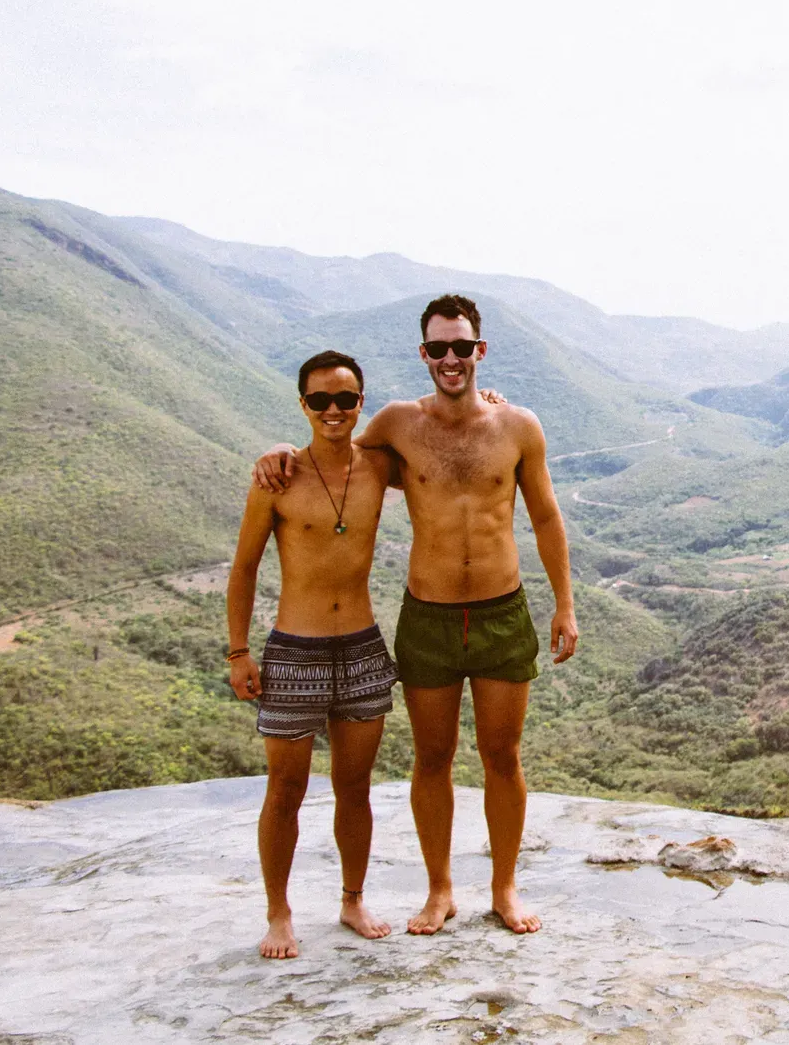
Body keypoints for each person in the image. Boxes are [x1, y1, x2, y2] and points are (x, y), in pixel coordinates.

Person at [253, 294, 578, 936]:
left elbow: (544, 515)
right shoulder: (399, 424)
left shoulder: (519, 427)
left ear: (479, 351)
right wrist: (279, 449)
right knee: (431, 757)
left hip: (500, 610)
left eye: (462, 347)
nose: (451, 359)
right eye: (438, 348)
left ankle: (505, 888)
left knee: (502, 756)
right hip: (427, 616)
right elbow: (335, 448)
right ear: (423, 355)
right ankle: (439, 891)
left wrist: (565, 603)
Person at [227, 350, 398, 960]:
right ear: (303, 404)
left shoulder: (379, 466)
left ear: (360, 403)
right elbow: (244, 568)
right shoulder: (277, 477)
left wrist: (490, 403)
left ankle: (352, 900)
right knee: (285, 789)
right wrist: (239, 652)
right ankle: (278, 914)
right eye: (320, 400)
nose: (333, 411)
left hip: (362, 646)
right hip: (293, 649)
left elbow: (445, 447)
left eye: (345, 400)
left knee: (356, 786)